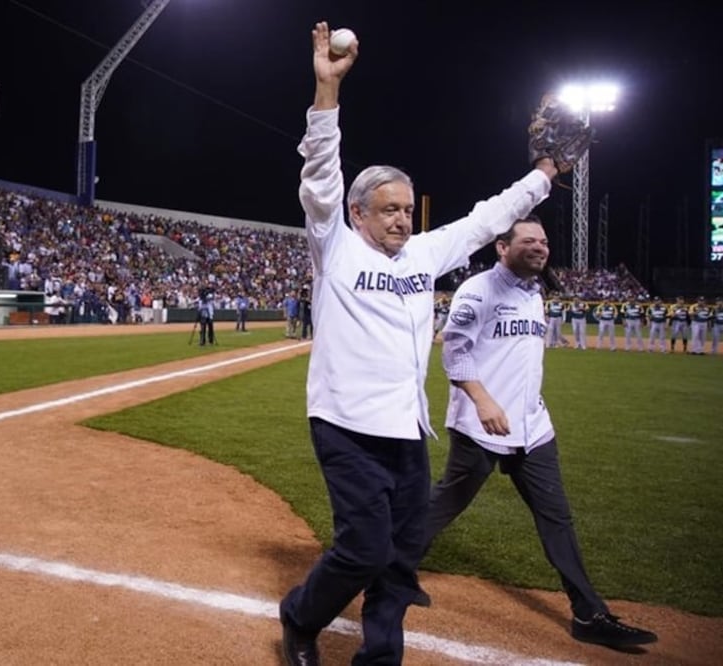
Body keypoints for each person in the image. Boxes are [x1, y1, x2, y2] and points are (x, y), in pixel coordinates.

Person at [278, 23, 559, 666]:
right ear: (357, 213)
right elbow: (320, 175)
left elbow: (489, 218)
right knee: (364, 550)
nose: (403, 219)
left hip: (407, 430)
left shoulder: (424, 255)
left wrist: (544, 173)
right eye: (389, 209)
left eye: (407, 209)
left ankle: (380, 659)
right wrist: (327, 91)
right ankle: (300, 617)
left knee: (401, 558)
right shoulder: (335, 246)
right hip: (346, 425)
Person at [408, 218, 657, 649]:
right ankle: (393, 569)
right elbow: (455, 351)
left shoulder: (534, 293)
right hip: (481, 426)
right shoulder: (478, 290)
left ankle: (589, 613)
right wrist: (483, 401)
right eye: (529, 241)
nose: (540, 248)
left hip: (532, 427)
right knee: (447, 502)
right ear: (502, 247)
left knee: (556, 517)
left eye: (543, 241)